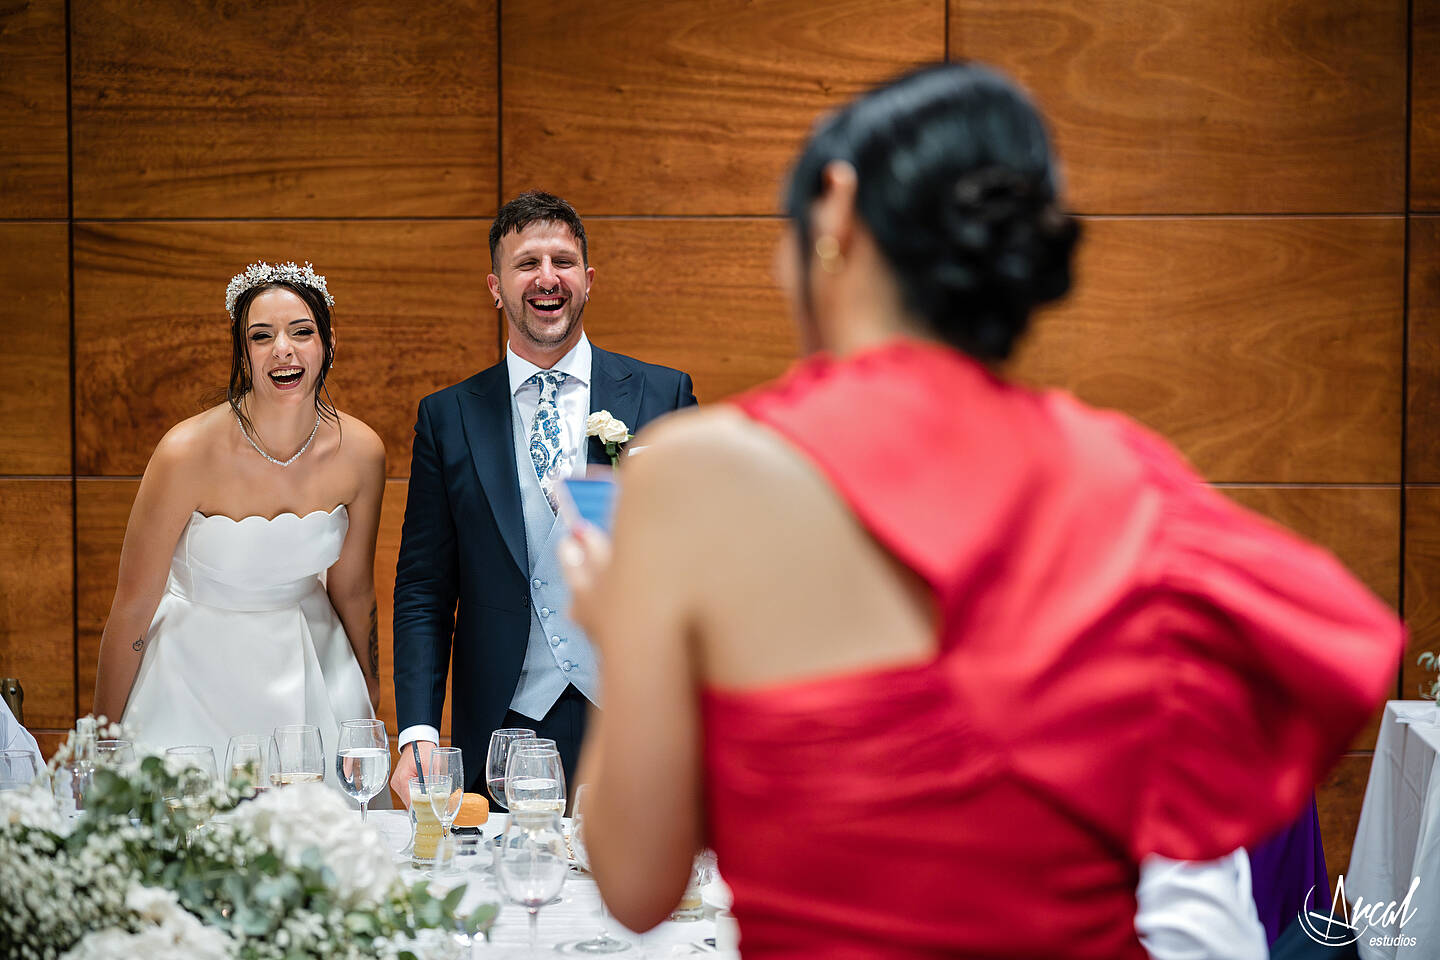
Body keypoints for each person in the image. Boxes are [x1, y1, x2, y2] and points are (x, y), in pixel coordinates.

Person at [562, 64, 1404, 958]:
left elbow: (636, 883)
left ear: (837, 210)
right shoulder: (1134, 482)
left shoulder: (696, 474)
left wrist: (627, 632)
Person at [389, 191, 697, 801]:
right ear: (496, 286)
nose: (546, 278)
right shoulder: (447, 417)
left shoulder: (664, 395)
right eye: (526, 263)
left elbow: (696, 565)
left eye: (563, 260)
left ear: (588, 278)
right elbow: (424, 587)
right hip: (504, 725)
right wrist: (418, 729)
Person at [93, 261, 386, 792]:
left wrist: (367, 710)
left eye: (302, 332)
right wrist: (103, 748)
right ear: (241, 351)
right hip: (189, 675)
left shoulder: (361, 452)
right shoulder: (185, 452)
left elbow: (355, 591)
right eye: (261, 336)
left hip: (312, 668)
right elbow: (133, 606)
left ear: (327, 342)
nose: (283, 349)